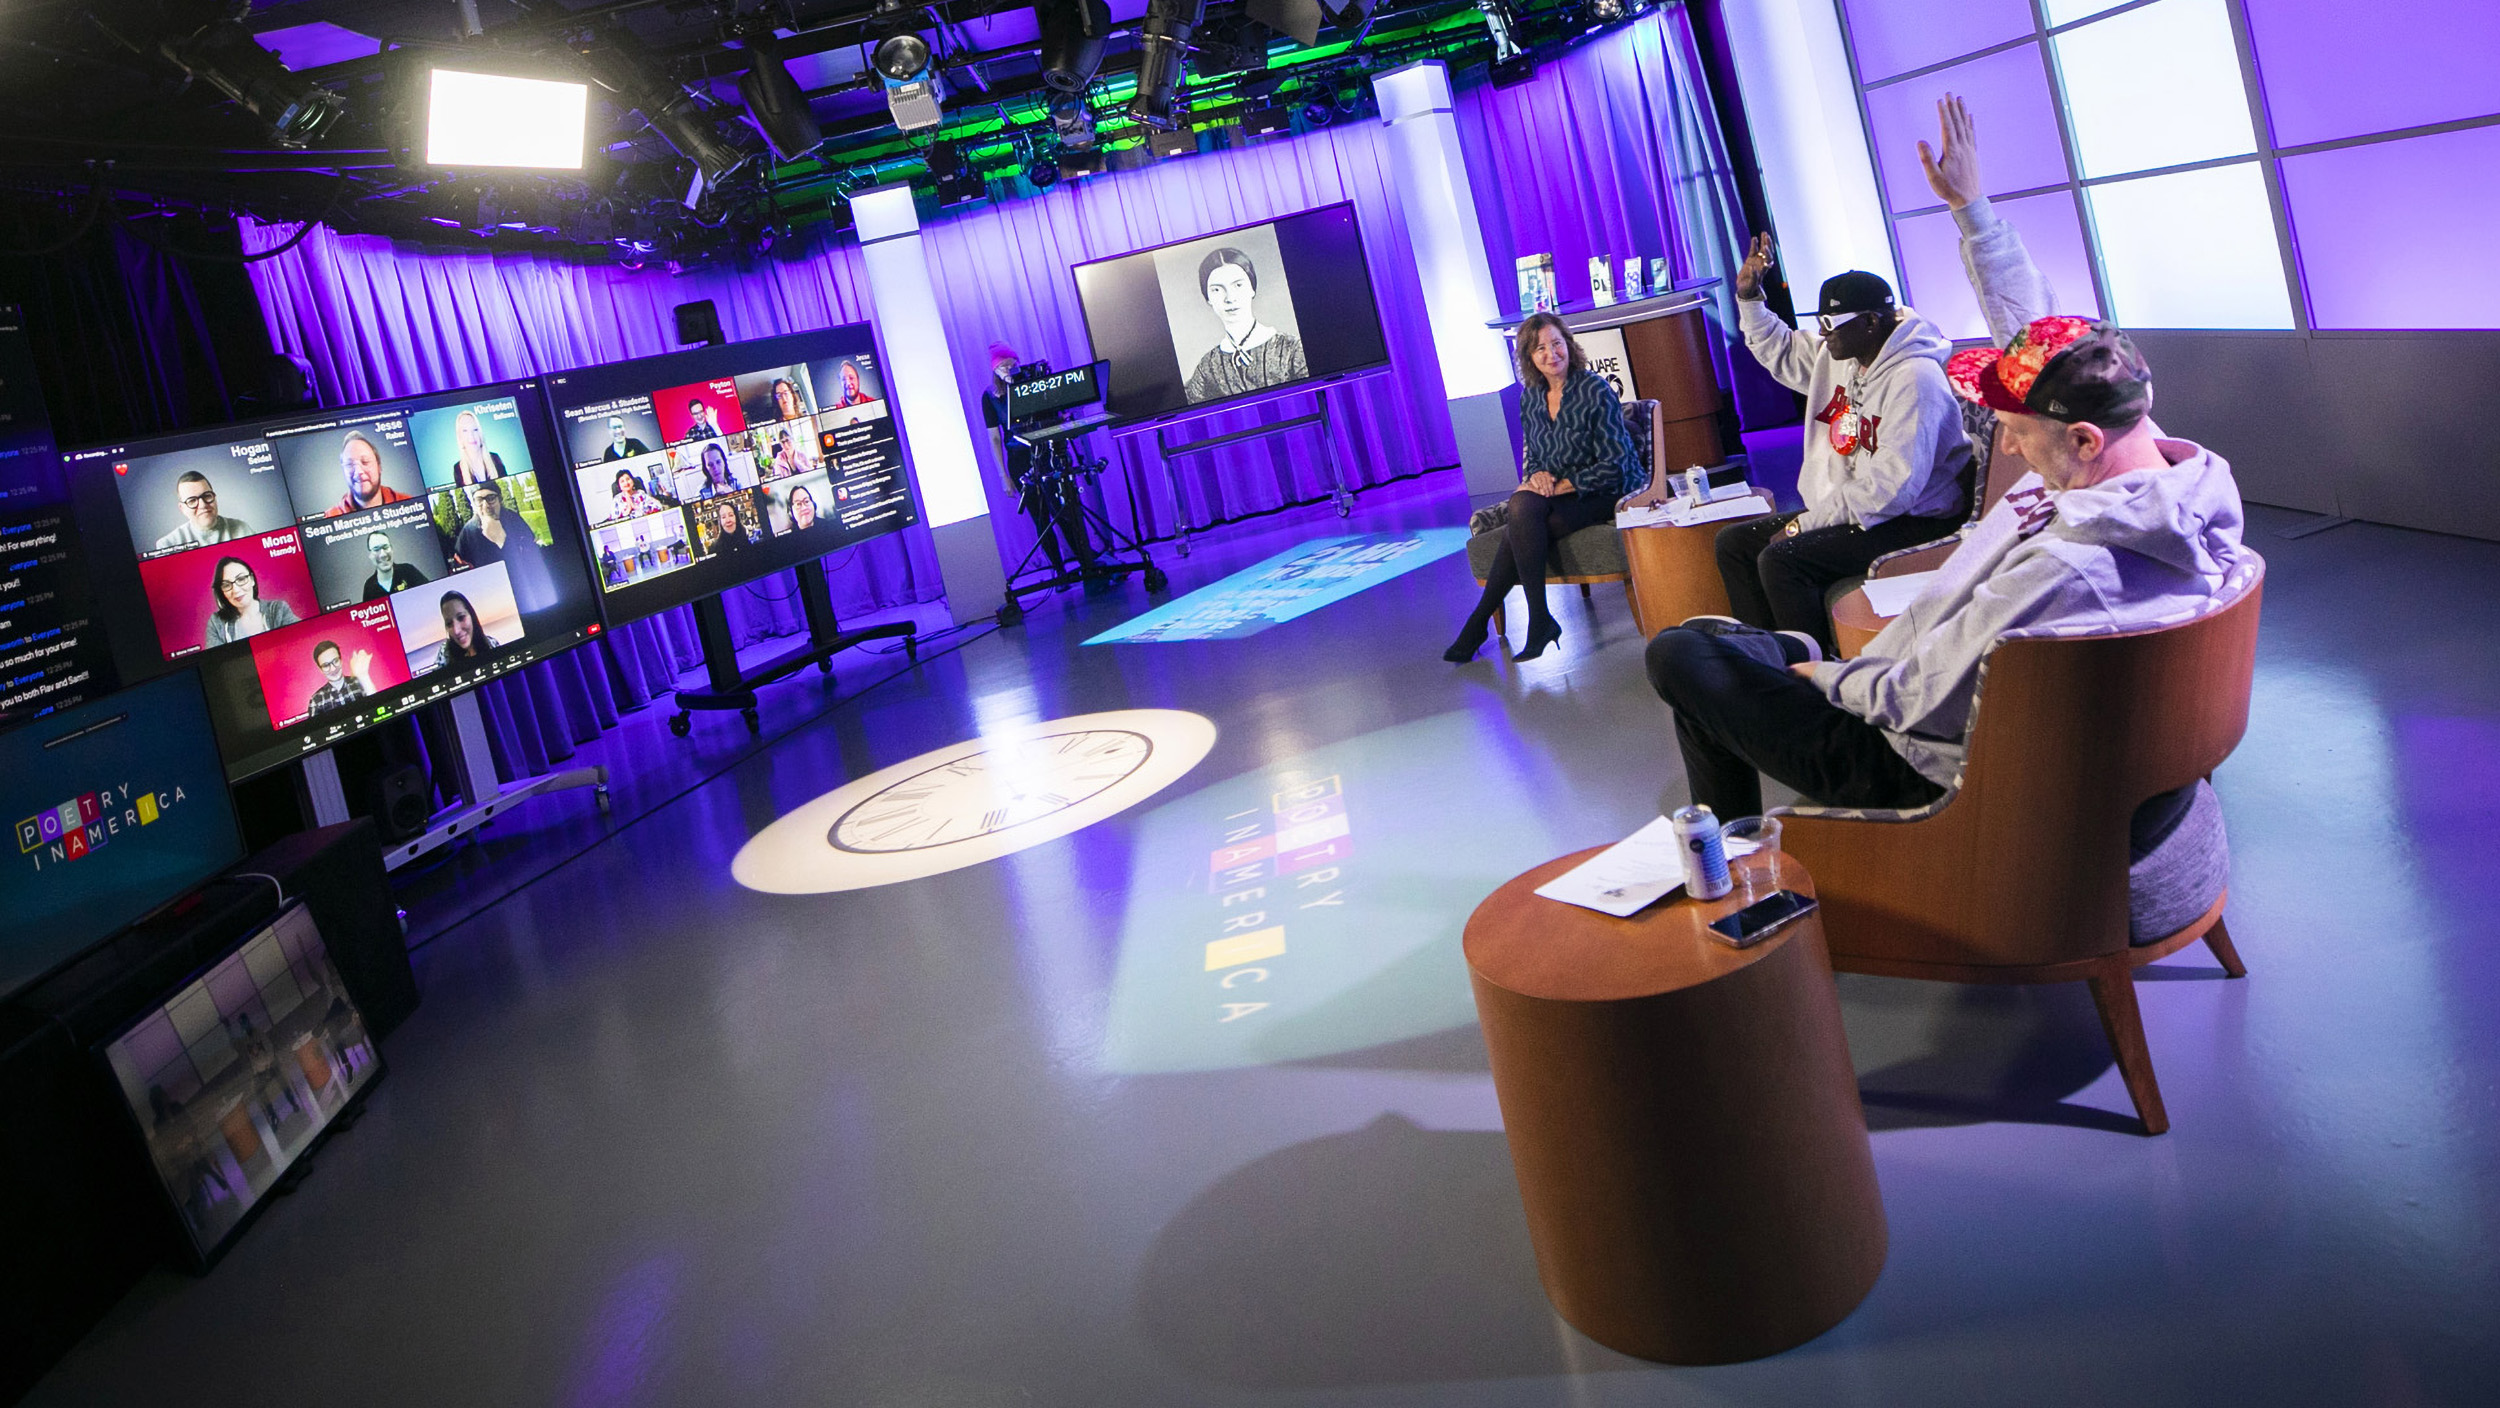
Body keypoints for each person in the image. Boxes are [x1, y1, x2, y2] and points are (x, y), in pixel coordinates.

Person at [1644, 93, 2251, 852]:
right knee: (1726, 643)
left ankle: (1729, 865)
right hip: (1945, 713)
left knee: (1678, 657)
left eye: (2019, 433)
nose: (2009, 449)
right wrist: (1974, 211)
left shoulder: (2073, 569)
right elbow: (2040, 338)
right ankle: (1735, 842)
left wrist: (1822, 679)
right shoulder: (2164, 477)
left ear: (2088, 439)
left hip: (1921, 767)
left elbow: (1911, 701)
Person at [1718, 239, 1971, 654]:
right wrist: (1749, 298)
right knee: (1735, 543)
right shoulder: (1841, 355)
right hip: (1854, 509)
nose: (1822, 333)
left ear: (1871, 322)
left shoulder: (1916, 379)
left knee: (1782, 560)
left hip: (1912, 518)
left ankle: (1815, 675)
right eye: (1820, 321)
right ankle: (1768, 663)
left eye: (1831, 324)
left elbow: (1893, 489)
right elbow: (1780, 349)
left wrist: (1804, 524)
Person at [1443, 313, 1638, 663]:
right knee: (1523, 510)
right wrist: (1536, 479)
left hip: (1606, 492)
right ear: (1529, 358)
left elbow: (1616, 465)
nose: (1552, 354)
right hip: (1558, 496)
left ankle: (1483, 622)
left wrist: (1561, 484)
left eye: (1557, 344)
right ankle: (1538, 620)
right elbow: (1533, 458)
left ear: (1569, 345)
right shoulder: (1530, 398)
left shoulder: (1594, 390)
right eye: (1540, 349)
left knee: (1522, 526)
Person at [981, 342, 1098, 583]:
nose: (1009, 369)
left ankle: (1086, 560)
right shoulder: (990, 398)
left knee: (1064, 510)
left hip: (1048, 454)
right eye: (1003, 366)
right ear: (994, 370)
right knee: (1041, 517)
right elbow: (994, 438)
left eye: (1012, 364)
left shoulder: (1033, 384)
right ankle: (1060, 570)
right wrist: (1004, 476)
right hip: (1019, 459)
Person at [1183, 249, 1308, 406]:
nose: (1229, 298)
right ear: (1208, 298)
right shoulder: (1208, 366)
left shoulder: (1292, 349)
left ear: (1252, 289)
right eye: (1216, 289)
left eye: (1238, 285)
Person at [452, 481, 557, 610]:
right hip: (496, 600)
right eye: (479, 500)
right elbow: (464, 573)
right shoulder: (468, 532)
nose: (485, 505)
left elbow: (533, 552)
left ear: (500, 499)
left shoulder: (514, 519)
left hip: (529, 589)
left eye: (491, 498)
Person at [203, 556, 299, 647]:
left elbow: (301, 640)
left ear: (252, 580)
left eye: (241, 579)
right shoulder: (216, 622)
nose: (235, 590)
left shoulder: (278, 609)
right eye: (226, 585)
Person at [325, 430, 414, 516]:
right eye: (349, 464)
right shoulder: (331, 515)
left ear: (379, 467)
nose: (358, 471)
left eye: (365, 461)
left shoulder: (409, 503)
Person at [154, 471, 249, 550]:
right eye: (192, 500)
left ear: (215, 498)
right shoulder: (168, 545)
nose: (203, 505)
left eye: (207, 496)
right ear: (182, 509)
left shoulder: (241, 529)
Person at [430, 590, 496, 672]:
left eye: (461, 617)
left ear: (471, 615)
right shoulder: (444, 654)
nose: (456, 631)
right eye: (449, 623)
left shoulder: (492, 644)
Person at [304, 639, 373, 715]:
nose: (333, 669)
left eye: (335, 661)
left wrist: (363, 675)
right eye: (326, 665)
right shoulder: (316, 700)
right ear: (320, 669)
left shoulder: (360, 682)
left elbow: (377, 708)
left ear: (341, 661)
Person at [359, 530, 430, 600]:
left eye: (385, 547)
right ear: (370, 555)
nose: (383, 554)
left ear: (392, 549)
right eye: (376, 549)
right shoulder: (369, 587)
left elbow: (429, 594)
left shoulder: (409, 571)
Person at [447, 409, 507, 485]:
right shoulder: (458, 468)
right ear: (460, 437)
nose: (471, 436)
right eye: (465, 431)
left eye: (475, 430)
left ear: (480, 433)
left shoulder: (495, 458)